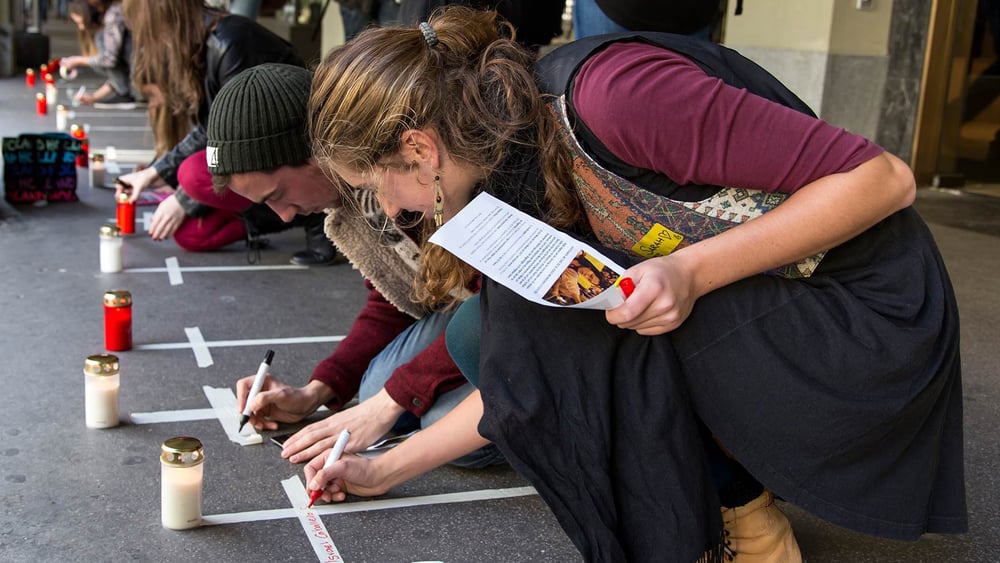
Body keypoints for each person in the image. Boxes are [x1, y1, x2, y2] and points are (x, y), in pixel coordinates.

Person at [298, 7, 967, 563]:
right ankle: (735, 501)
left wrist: (688, 270)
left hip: (867, 315)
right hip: (770, 305)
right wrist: (384, 468)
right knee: (494, 332)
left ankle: (751, 523)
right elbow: (528, 378)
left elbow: (885, 180)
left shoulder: (615, 96)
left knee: (617, 318)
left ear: (419, 148)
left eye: (379, 188)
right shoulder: (506, 153)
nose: (391, 213)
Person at [206, 63, 504, 468]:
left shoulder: (412, 184)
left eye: (277, 194)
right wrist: (319, 389)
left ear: (316, 155)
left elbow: (501, 306)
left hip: (511, 313)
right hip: (477, 312)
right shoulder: (354, 205)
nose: (284, 217)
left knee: (432, 419)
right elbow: (395, 297)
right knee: (374, 391)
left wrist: (394, 405)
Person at [114, 0, 339, 265]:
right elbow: (211, 129)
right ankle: (283, 211)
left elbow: (237, 140)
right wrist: (153, 173)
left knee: (193, 174)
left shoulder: (231, 40)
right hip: (266, 166)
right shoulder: (206, 46)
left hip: (286, 154)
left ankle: (314, 218)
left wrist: (181, 197)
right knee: (190, 236)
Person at [60, 0, 137, 108]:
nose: (81, 28)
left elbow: (109, 60)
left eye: (81, 23)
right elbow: (118, 76)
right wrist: (94, 97)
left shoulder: (112, 16)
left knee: (98, 60)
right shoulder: (111, 14)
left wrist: (79, 60)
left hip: (142, 61)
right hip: (139, 62)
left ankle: (124, 94)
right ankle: (123, 94)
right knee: (97, 62)